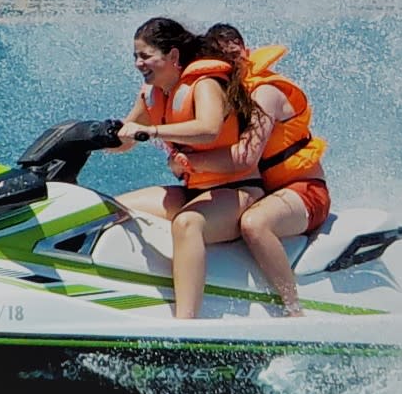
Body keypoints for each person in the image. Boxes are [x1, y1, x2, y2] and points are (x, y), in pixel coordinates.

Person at [111, 16, 264, 319]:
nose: (138, 64)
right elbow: (124, 139)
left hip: (238, 193)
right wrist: (89, 138)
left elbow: (208, 128)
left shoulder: (204, 84)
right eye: (135, 56)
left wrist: (153, 132)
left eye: (145, 56)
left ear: (173, 56)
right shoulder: (153, 95)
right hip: (194, 189)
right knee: (112, 209)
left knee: (187, 224)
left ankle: (186, 323)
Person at [182, 23, 330, 316]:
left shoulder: (265, 93)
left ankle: (294, 308)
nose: (234, 65)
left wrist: (192, 162)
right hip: (266, 193)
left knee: (254, 224)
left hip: (306, 192)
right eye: (226, 60)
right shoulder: (222, 97)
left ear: (245, 51)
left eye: (236, 55)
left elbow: (247, 155)